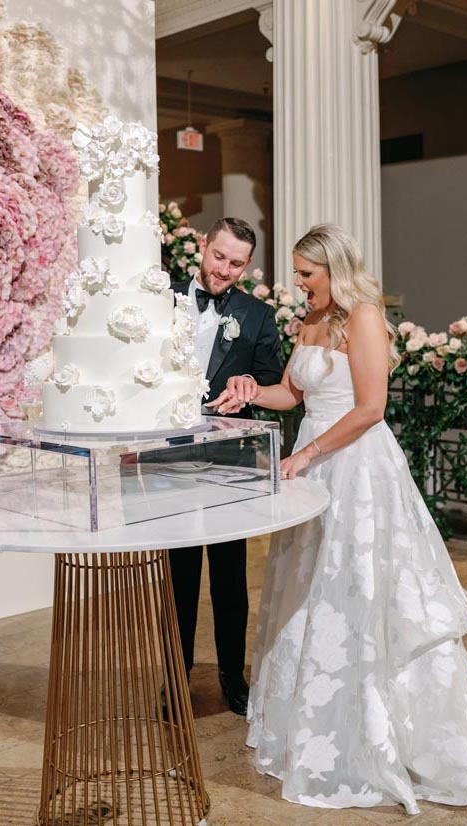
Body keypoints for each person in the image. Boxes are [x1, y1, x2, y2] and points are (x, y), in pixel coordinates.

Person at [207, 224, 467, 813]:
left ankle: (381, 731)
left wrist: (305, 455)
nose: (298, 284)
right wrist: (249, 390)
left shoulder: (364, 318)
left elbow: (370, 408)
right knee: (308, 593)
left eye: (307, 274)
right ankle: (314, 722)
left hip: (355, 469)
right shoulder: (307, 321)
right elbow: (292, 394)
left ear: (334, 270)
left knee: (359, 592)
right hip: (312, 470)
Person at [168, 217, 283, 716]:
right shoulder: (160, 299)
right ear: (202, 246)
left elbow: (272, 380)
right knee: (179, 575)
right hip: (167, 455)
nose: (225, 271)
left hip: (228, 458)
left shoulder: (257, 315)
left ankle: (233, 680)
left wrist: (247, 391)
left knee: (230, 575)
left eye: (237, 264)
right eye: (219, 258)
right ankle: (175, 680)